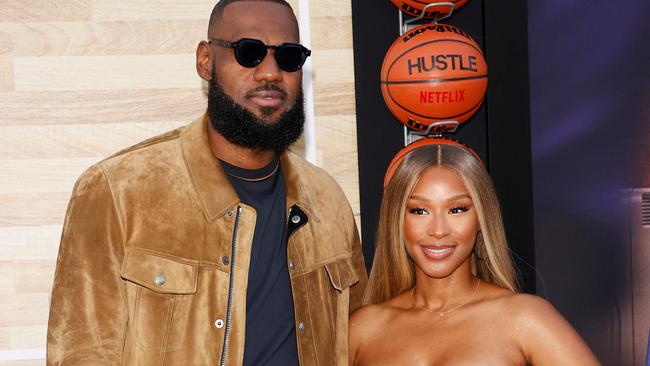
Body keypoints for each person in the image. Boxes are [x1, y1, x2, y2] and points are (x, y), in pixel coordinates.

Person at [46, 0, 367, 365]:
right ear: (205, 60)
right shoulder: (117, 191)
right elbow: (81, 354)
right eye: (249, 52)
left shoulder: (328, 202)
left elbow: (362, 340)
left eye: (289, 57)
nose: (270, 73)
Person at [349, 138, 599, 365]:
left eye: (457, 209)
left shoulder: (525, 319)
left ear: (481, 217)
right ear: (396, 220)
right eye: (419, 210)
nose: (438, 230)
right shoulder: (363, 330)